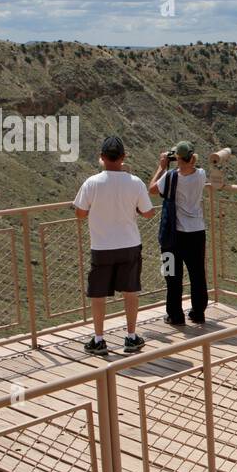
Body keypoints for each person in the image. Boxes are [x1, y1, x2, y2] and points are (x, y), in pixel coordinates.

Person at [72, 136, 155, 355]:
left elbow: (80, 213)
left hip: (101, 246)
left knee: (98, 294)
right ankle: (131, 337)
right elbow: (148, 213)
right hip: (129, 244)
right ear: (123, 157)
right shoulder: (135, 182)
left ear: (101, 158)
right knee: (130, 292)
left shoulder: (91, 183)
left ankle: (99, 339)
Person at [149, 141, 209, 326]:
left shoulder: (170, 176)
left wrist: (161, 167)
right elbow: (193, 166)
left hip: (172, 235)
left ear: (176, 159)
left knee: (171, 274)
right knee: (197, 274)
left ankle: (175, 315)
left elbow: (151, 189)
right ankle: (198, 313)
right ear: (192, 157)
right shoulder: (201, 174)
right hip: (197, 232)